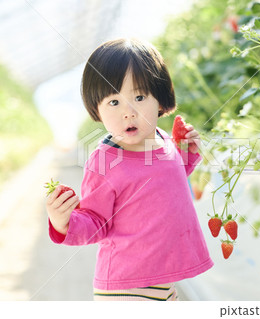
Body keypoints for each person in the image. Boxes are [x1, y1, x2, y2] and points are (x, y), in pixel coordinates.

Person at [45, 38, 213, 301]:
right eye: (114, 102)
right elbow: (96, 222)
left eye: (139, 96)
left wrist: (186, 153)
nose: (129, 112)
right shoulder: (104, 162)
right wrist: (62, 221)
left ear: (160, 100)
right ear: (97, 110)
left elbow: (164, 182)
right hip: (125, 287)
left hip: (162, 282)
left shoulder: (161, 138)